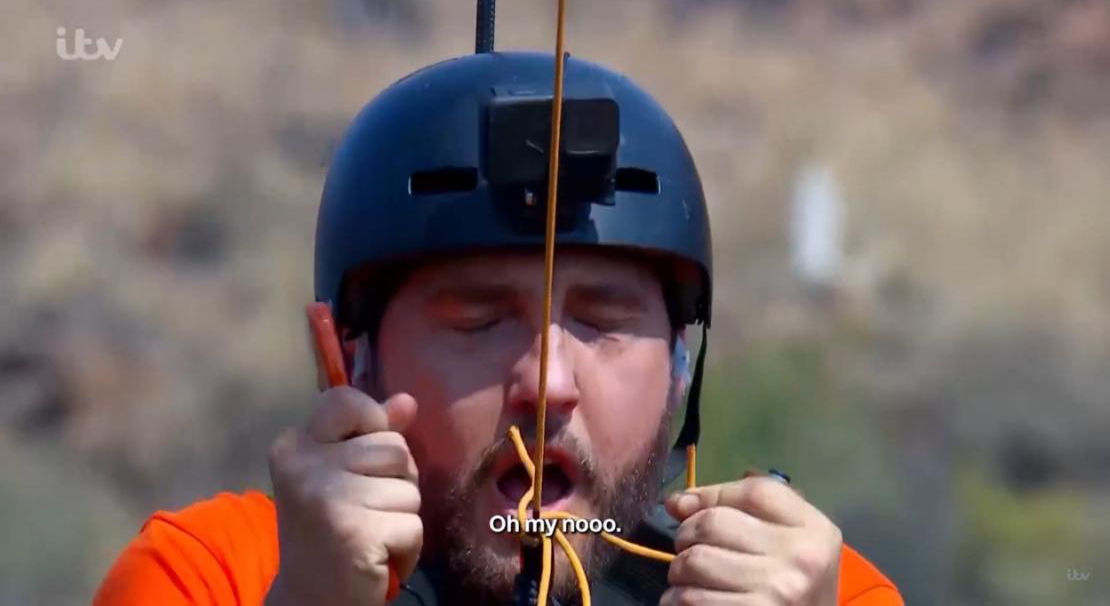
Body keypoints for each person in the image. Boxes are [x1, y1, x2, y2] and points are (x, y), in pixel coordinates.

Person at [92, 49, 903, 605]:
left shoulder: (814, 588)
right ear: (344, 359)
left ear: (682, 365)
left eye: (603, 321)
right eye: (478, 321)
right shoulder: (217, 573)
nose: (546, 383)